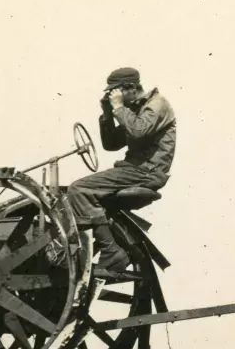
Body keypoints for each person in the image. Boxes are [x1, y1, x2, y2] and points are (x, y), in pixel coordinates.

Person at [67, 67, 177, 276]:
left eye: (115, 92)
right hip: (135, 169)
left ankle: (111, 251)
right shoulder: (135, 109)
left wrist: (118, 107)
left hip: (146, 171)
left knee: (79, 189)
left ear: (130, 88)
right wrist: (108, 114)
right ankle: (113, 246)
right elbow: (111, 144)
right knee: (77, 192)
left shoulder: (157, 105)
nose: (112, 96)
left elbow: (137, 130)